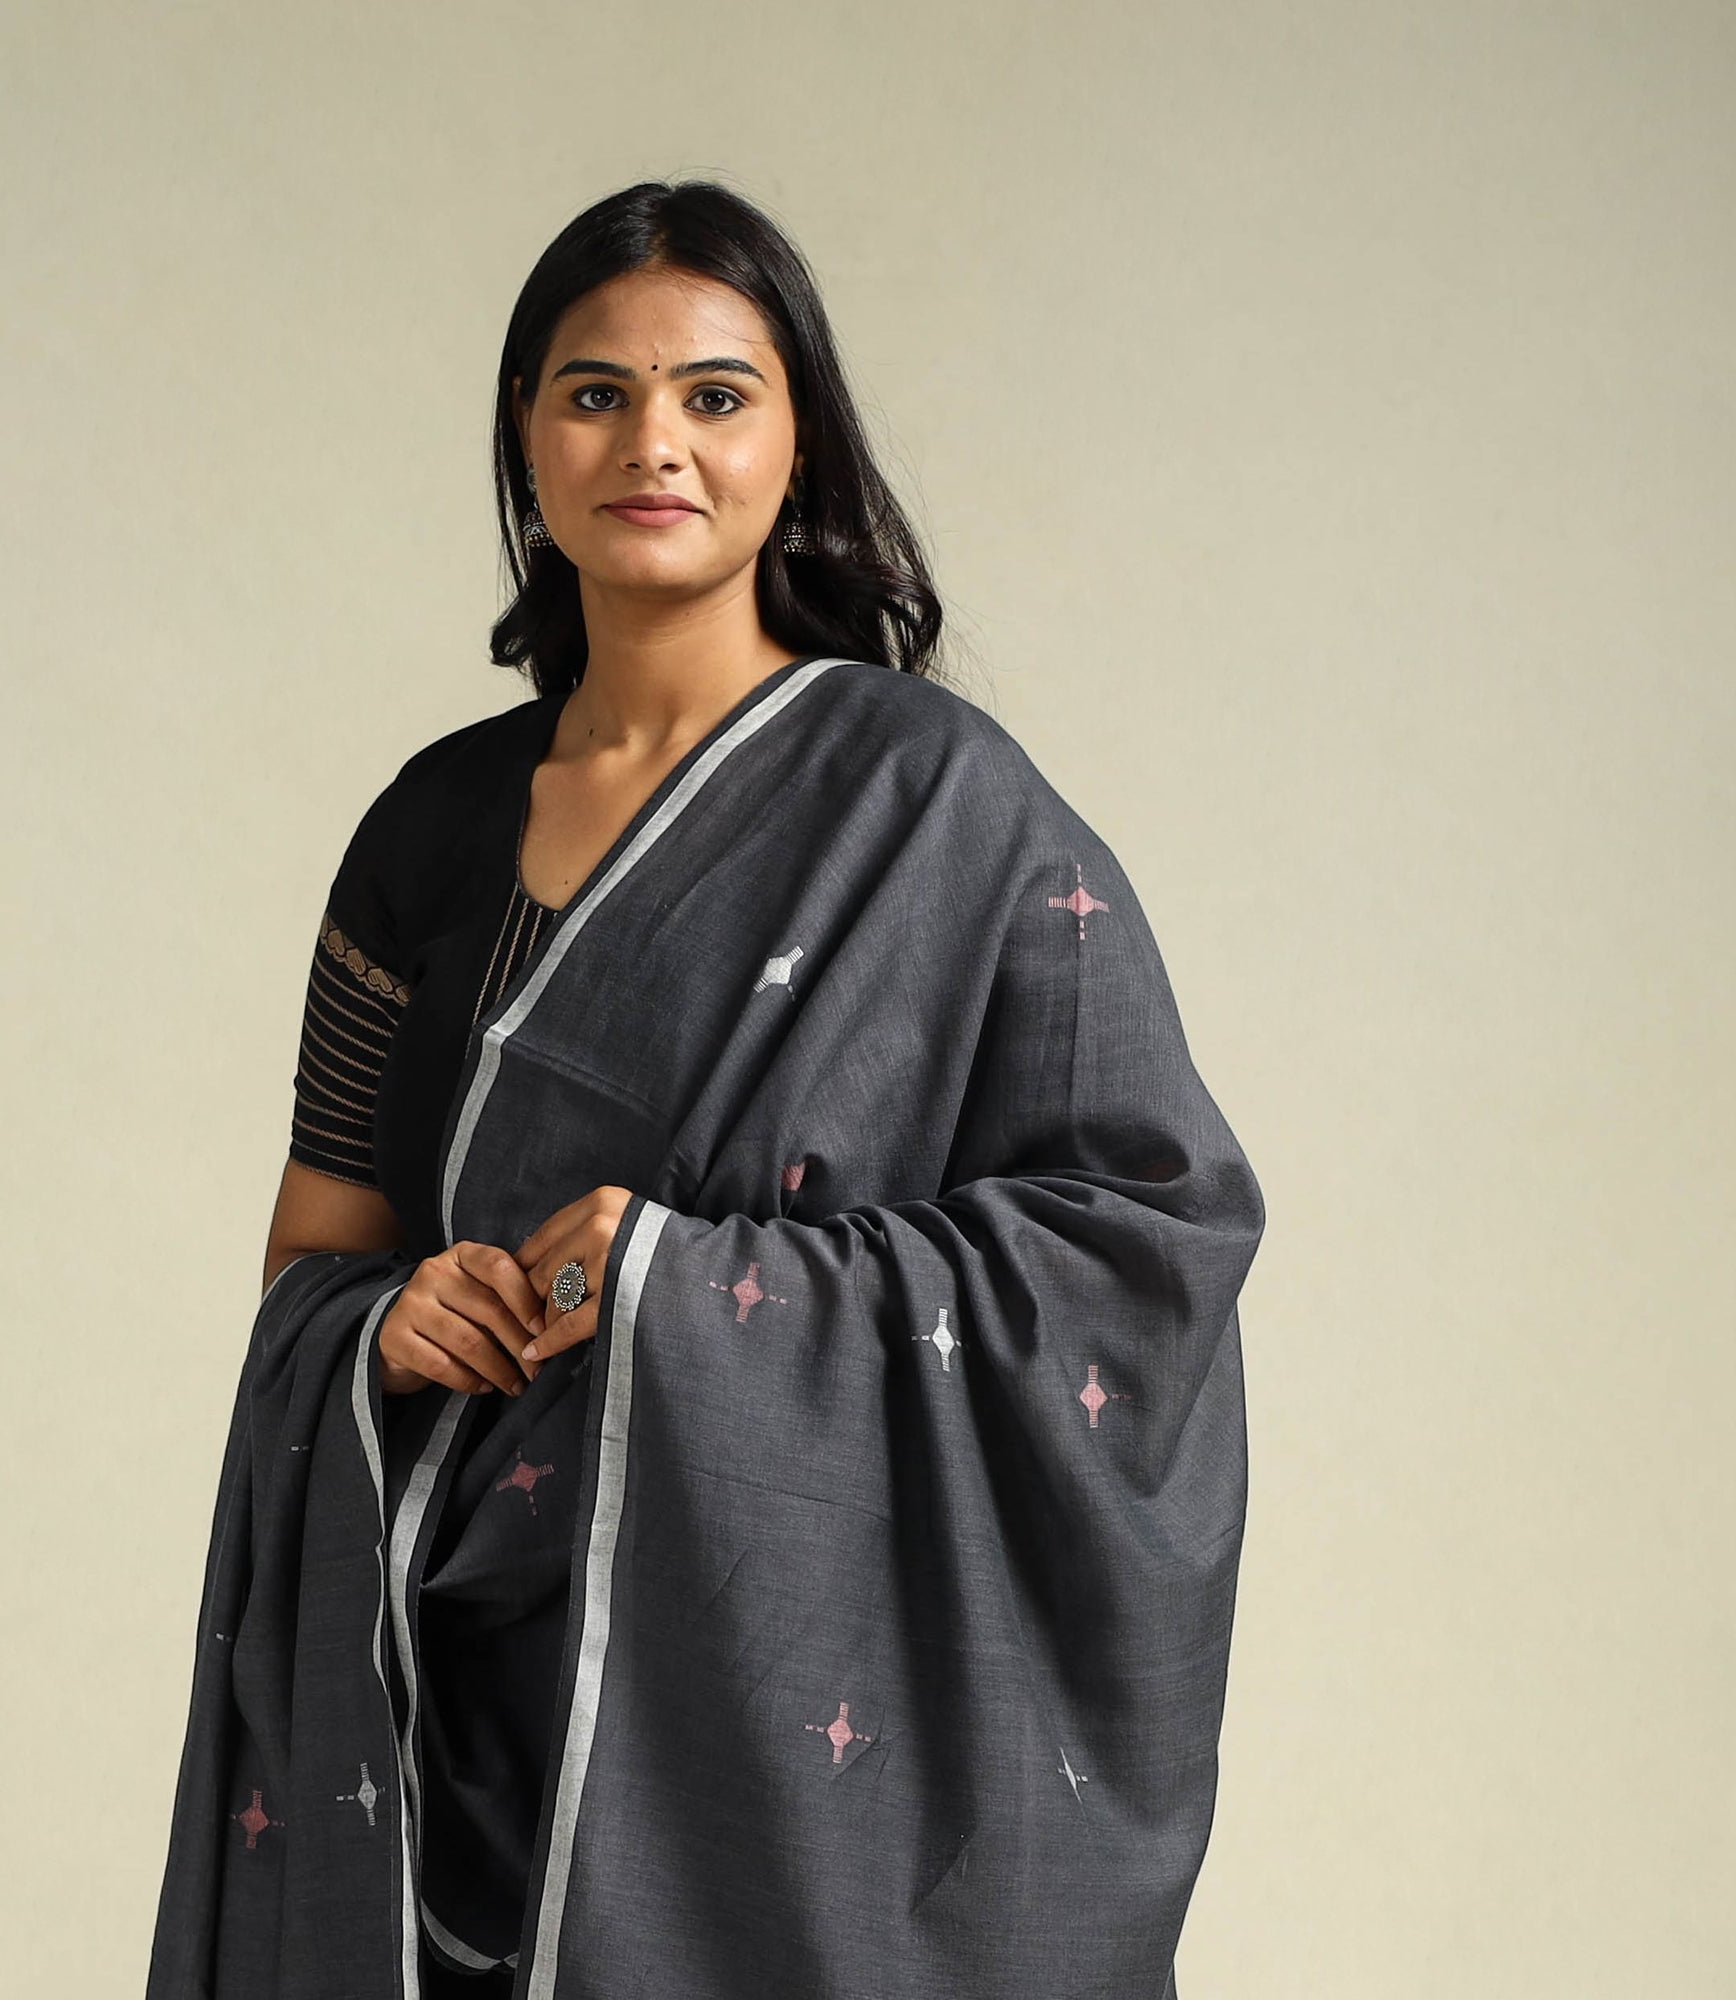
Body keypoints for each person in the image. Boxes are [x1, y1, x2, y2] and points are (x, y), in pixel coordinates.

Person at [151, 178, 1264, 2000]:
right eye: (595, 393)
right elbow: (314, 1248)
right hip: (446, 1699)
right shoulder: (426, 832)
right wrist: (382, 1322)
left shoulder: (936, 806)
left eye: (716, 395)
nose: (652, 442)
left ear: (794, 443)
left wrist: (692, 1286)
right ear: (527, 440)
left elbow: (1143, 1239)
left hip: (770, 1692)